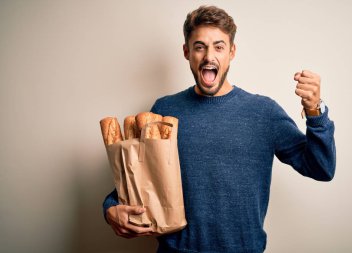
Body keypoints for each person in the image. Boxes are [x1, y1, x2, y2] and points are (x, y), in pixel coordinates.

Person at [102, 5, 336, 253]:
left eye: (219, 46)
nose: (208, 56)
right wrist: (109, 209)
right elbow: (136, 181)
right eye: (200, 46)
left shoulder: (264, 112)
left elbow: (321, 168)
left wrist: (315, 112)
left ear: (232, 52)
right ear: (186, 52)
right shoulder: (164, 110)